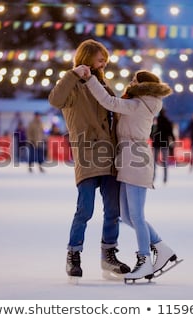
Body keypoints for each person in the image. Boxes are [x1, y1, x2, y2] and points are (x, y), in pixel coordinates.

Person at [78, 66, 180, 282]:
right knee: (127, 216)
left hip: (136, 160)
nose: (131, 82)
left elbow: (109, 102)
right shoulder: (137, 103)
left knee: (136, 216)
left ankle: (145, 260)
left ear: (143, 85)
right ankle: (161, 248)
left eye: (134, 80)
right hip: (128, 160)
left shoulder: (138, 104)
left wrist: (90, 80)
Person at [48, 39, 130, 281]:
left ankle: (109, 255)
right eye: (100, 58)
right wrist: (72, 74)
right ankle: (73, 255)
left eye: (105, 59)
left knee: (113, 210)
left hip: (109, 155)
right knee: (85, 209)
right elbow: (55, 100)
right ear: (87, 57)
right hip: (87, 155)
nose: (104, 62)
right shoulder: (72, 87)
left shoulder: (103, 85)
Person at [150, 108, 175, 184]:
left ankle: (153, 177)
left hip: (156, 144)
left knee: (154, 162)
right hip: (165, 144)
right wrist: (173, 140)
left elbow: (151, 133)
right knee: (165, 162)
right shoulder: (168, 122)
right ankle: (165, 178)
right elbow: (171, 133)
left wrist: (153, 137)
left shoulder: (155, 122)